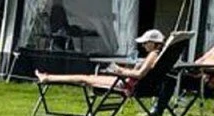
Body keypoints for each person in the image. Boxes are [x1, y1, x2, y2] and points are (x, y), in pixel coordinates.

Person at [35, 29, 166, 92]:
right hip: (126, 82)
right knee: (88, 77)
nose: (143, 46)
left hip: (124, 84)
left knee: (83, 78)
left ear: (154, 43)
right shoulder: (157, 56)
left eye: (145, 43)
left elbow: (139, 74)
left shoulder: (153, 55)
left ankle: (47, 78)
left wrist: (120, 70)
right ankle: (48, 77)